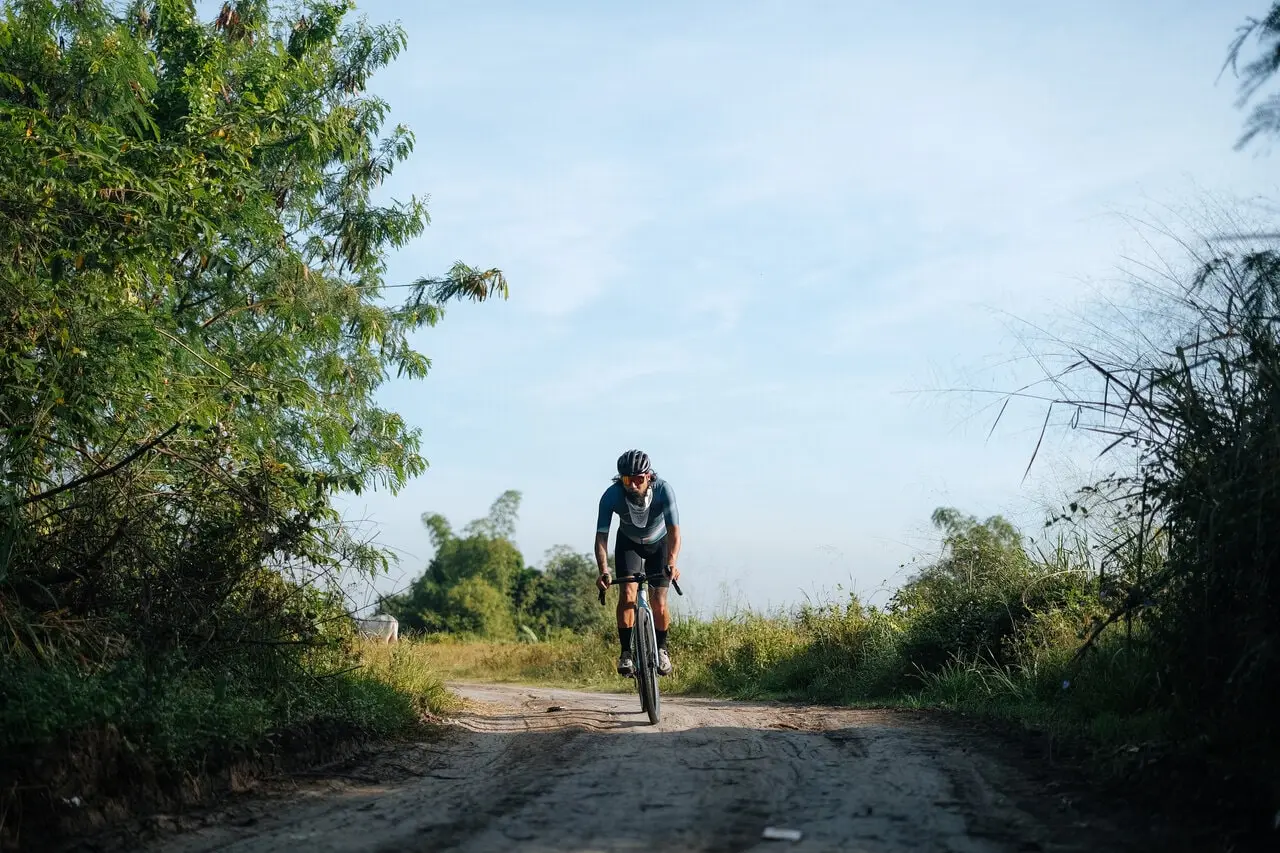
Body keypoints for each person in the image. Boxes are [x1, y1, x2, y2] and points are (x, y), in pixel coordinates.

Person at [595, 449, 681, 677]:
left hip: (659, 544)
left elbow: (674, 532)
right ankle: (626, 653)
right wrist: (604, 570)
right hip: (628, 544)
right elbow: (601, 537)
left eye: (638, 480)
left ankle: (662, 649)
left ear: (649, 477)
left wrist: (671, 562)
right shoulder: (611, 495)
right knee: (627, 596)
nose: (632, 485)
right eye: (626, 480)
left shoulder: (664, 490)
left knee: (659, 601)